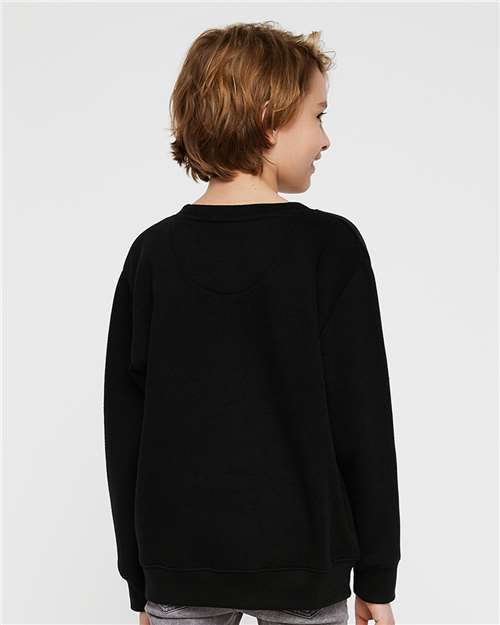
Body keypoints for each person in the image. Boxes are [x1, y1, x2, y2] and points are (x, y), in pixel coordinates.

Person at [103, 21, 401, 625]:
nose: (325, 139)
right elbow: (363, 419)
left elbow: (124, 431)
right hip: (304, 565)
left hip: (178, 564)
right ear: (269, 120)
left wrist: (141, 581)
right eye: (318, 115)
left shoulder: (152, 255)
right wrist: (376, 574)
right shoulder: (329, 248)